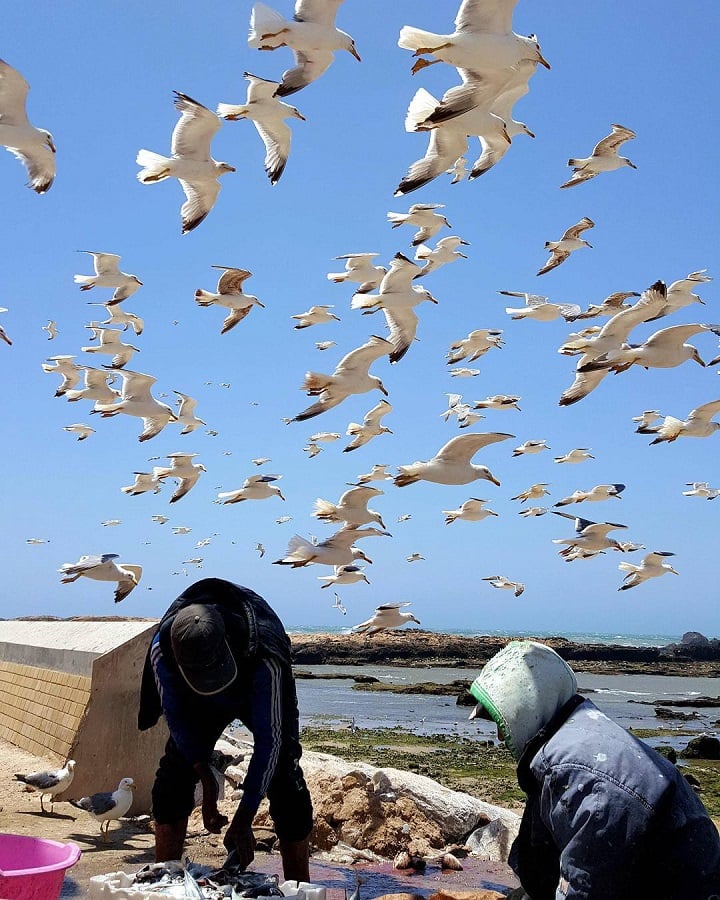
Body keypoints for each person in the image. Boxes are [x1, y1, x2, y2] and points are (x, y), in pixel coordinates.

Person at [468, 640, 720, 900]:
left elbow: (585, 888)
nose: (499, 737)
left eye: (500, 723)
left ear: (520, 708)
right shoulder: (580, 732)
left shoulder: (574, 771)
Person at [138, 577, 313, 878]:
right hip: (193, 695)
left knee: (285, 776)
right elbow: (177, 720)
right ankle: (162, 880)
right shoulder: (162, 652)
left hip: (248, 677)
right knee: (173, 776)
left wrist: (244, 817)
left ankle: (301, 888)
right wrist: (205, 777)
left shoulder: (264, 657)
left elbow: (270, 743)